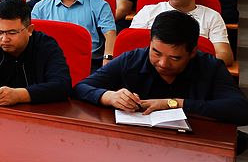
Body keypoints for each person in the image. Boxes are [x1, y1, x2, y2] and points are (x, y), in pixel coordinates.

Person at [75, 11, 248, 125]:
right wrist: (109, 97)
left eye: (175, 58)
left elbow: (241, 110)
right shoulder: (132, 59)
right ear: (150, 43)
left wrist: (173, 104)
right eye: (156, 53)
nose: (163, 63)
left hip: (193, 146)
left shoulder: (210, 67)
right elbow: (80, 87)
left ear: (193, 52)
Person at [128, 0, 232, 66]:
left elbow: (225, 55)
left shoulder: (212, 16)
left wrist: (181, 61)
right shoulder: (148, 12)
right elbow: (131, 47)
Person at [31, 0, 116, 70]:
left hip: (89, 63)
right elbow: (32, 37)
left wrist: (107, 59)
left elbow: (110, 33)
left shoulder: (99, 5)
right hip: (51, 63)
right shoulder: (41, 7)